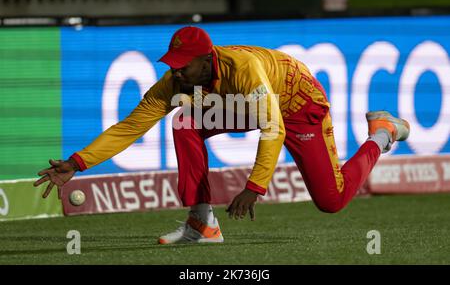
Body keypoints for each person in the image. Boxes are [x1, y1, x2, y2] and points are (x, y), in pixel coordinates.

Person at [34, 26, 410, 244]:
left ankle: (381, 134)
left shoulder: (243, 70)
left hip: (297, 106)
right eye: (173, 66)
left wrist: (254, 187)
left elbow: (273, 127)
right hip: (247, 106)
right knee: (184, 123)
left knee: (332, 200)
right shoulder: (176, 82)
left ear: (206, 59)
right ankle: (202, 221)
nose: (176, 74)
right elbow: (131, 126)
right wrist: (76, 162)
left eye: (183, 67)